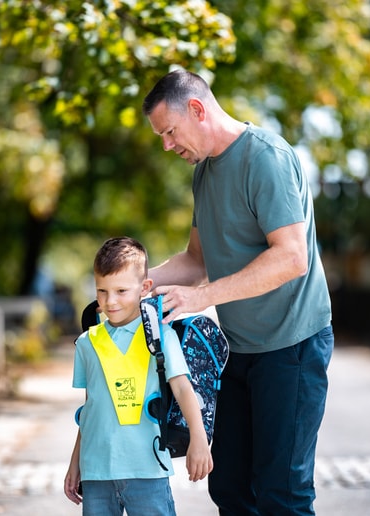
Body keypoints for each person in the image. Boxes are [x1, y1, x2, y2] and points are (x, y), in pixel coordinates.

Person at [141, 69, 335, 515]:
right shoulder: (205, 173)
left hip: (293, 348)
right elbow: (195, 260)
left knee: (281, 493)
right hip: (239, 351)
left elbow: (291, 257)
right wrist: (135, 285)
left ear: (197, 109)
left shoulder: (265, 157)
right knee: (228, 486)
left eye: (169, 132)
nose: (167, 146)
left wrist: (204, 297)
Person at [64, 236, 213, 515]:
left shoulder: (160, 336)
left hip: (148, 470)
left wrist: (199, 438)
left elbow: (183, 390)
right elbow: (90, 408)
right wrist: (76, 463)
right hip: (96, 474)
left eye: (121, 290)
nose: (111, 301)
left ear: (144, 287)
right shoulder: (87, 343)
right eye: (102, 291)